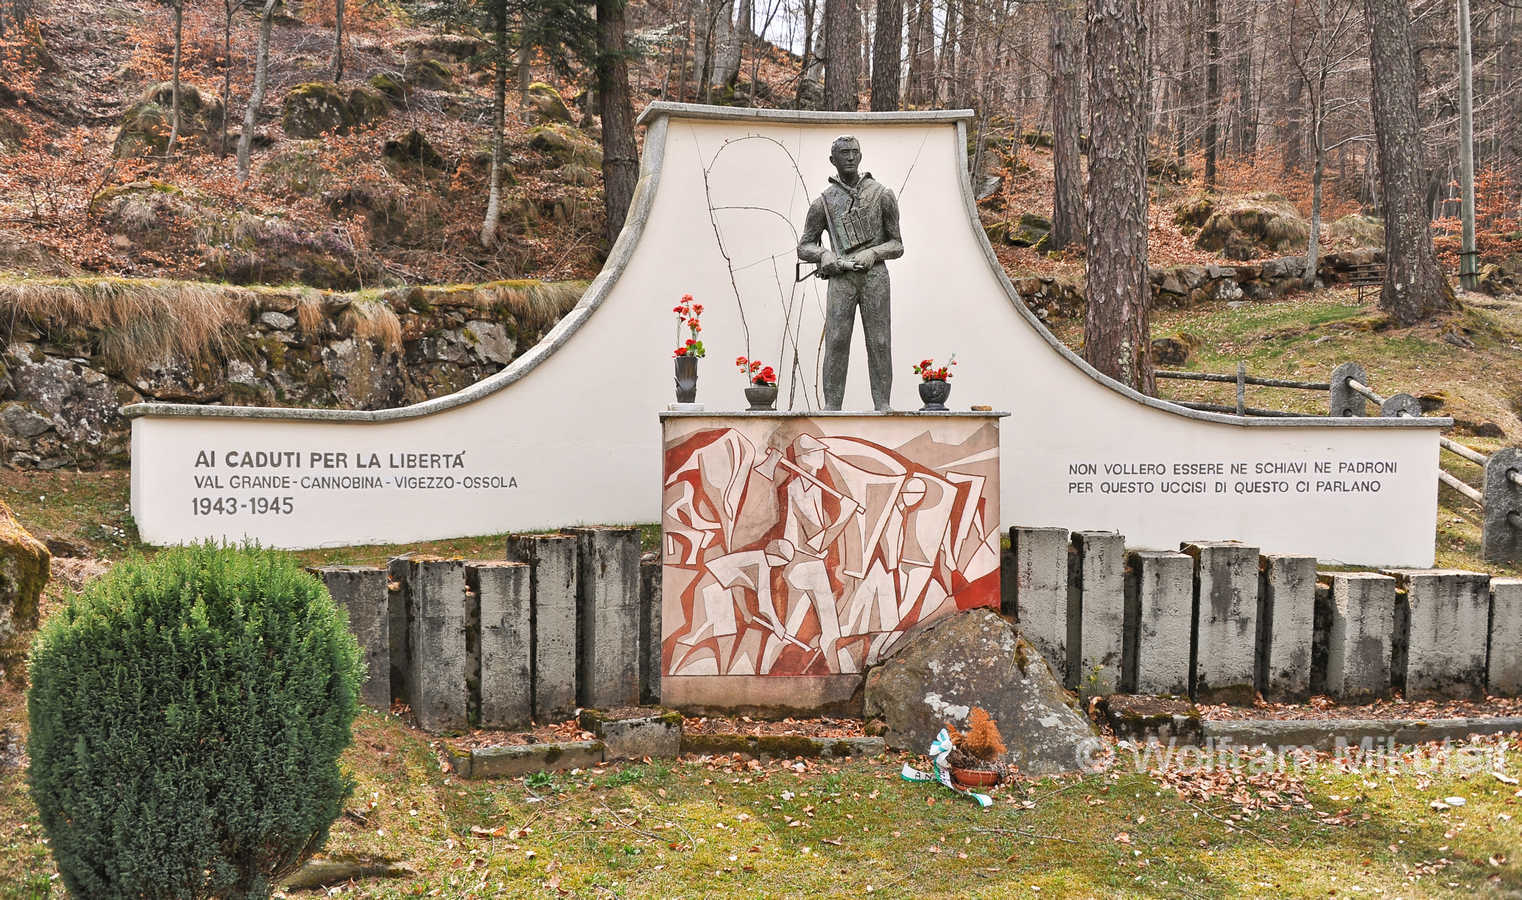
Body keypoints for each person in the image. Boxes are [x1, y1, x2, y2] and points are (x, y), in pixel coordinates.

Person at [797, 136, 904, 411]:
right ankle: (832, 407)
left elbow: (897, 244)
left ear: (861, 156)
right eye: (844, 153)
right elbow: (805, 245)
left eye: (855, 152)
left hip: (875, 277)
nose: (850, 157)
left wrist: (874, 253)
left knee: (880, 340)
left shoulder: (882, 194)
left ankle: (883, 404)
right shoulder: (823, 202)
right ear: (833, 160)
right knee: (836, 339)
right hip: (841, 278)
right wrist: (824, 254)